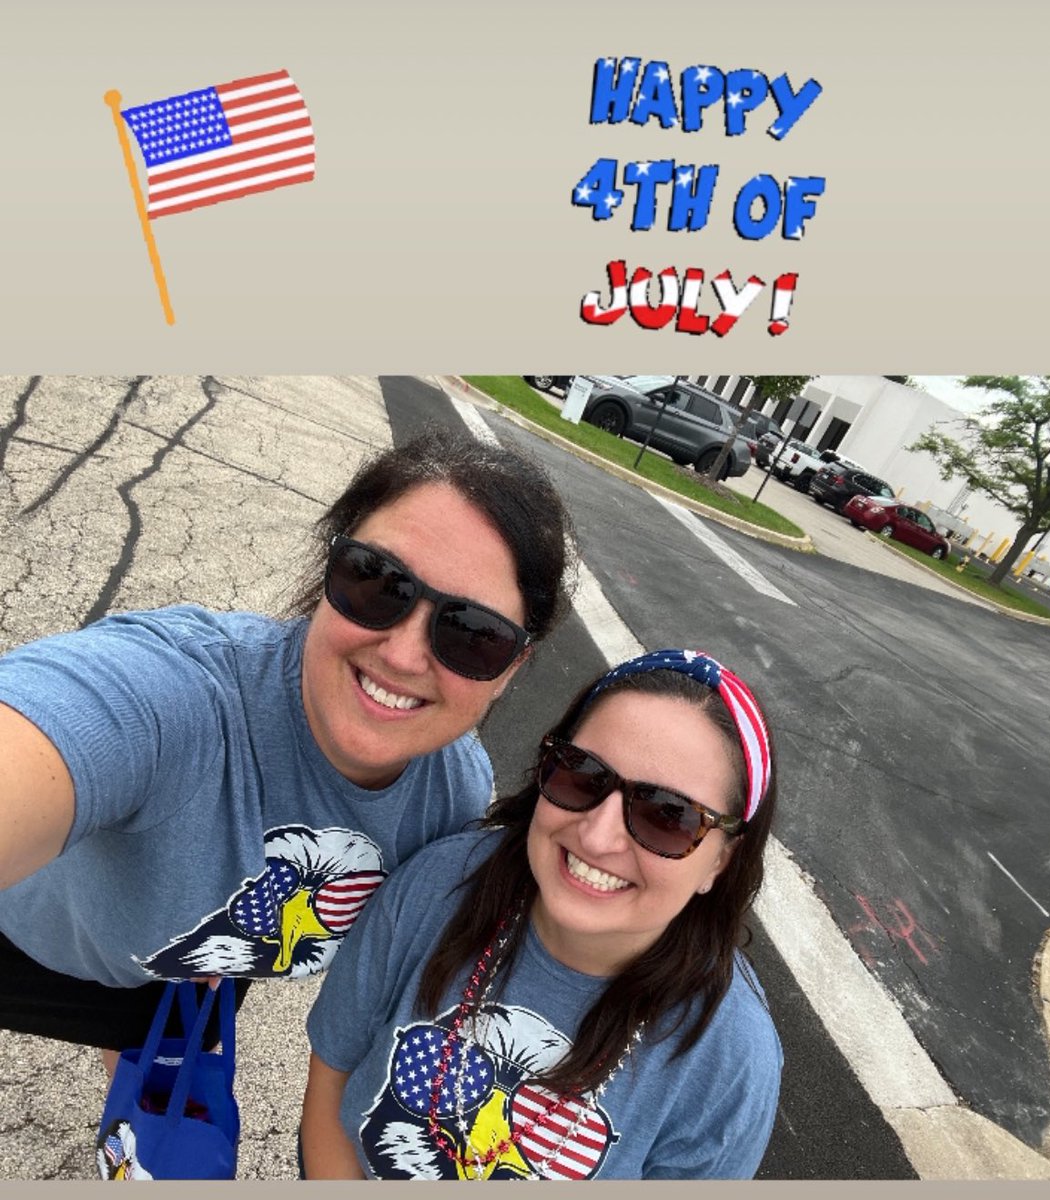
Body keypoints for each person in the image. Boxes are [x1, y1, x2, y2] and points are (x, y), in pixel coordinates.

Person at [0, 429, 574, 1058]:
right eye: (378, 581)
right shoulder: (182, 695)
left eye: (474, 633)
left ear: (514, 667)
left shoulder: (454, 791)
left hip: (180, 978)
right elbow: (60, 724)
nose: (404, 655)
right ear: (330, 567)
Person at [302, 648, 782, 1181]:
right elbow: (332, 1077)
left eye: (667, 815)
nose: (598, 837)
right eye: (582, 774)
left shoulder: (730, 1057)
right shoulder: (439, 885)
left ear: (722, 859)